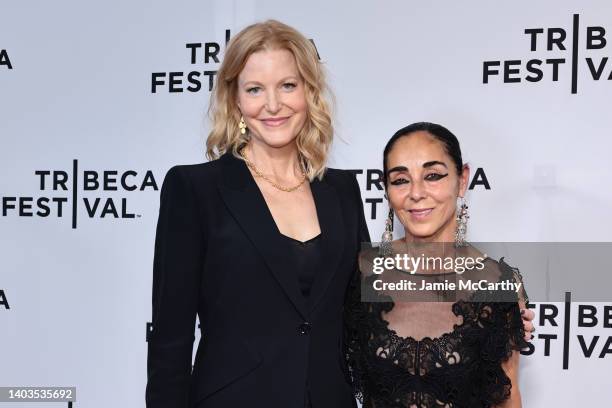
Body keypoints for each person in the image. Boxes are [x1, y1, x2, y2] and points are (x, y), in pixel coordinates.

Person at [145, 20, 535, 408]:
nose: (273, 104)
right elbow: (170, 341)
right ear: (235, 101)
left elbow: (371, 295)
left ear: (309, 92)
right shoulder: (195, 190)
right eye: (254, 89)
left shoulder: (340, 191)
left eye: (288, 85)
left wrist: (495, 309)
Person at [345, 122, 528, 408]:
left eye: (432, 175)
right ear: (386, 189)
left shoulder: (497, 284)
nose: (416, 193)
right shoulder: (358, 272)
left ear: (462, 179)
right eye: (401, 180)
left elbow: (507, 396)